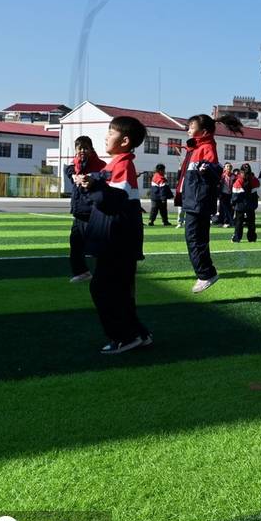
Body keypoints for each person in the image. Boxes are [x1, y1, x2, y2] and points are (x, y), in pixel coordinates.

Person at [74, 116, 151, 354]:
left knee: (103, 289)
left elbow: (112, 202)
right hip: (116, 240)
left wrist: (92, 186)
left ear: (125, 140)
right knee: (120, 291)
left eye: (110, 132)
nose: (106, 136)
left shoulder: (123, 165)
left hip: (117, 242)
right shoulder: (116, 164)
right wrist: (87, 182)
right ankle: (137, 333)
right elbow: (101, 188)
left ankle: (124, 337)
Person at [175, 113, 244, 293]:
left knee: (195, 239)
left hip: (199, 201)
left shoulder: (207, 147)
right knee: (195, 238)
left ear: (203, 131)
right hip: (194, 200)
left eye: (191, 126)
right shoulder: (197, 147)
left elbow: (215, 173)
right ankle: (205, 273)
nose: (188, 129)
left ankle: (206, 274)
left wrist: (207, 169)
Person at [64, 136, 106, 282]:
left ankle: (105, 273)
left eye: (85, 147)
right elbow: (69, 170)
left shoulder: (98, 164)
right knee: (75, 245)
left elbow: (103, 175)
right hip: (79, 211)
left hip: (92, 211)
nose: (82, 151)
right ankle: (81, 272)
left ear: (91, 149)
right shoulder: (76, 165)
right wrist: (74, 175)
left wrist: (90, 178)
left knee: (97, 247)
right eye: (79, 148)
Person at [230, 163, 261, 243]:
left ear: (240, 172)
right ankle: (252, 238)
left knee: (239, 223)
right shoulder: (254, 180)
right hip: (251, 205)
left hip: (240, 206)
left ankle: (237, 238)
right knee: (251, 223)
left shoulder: (237, 182)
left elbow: (234, 197)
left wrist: (233, 204)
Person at [216, 163, 235, 227]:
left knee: (230, 209)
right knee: (222, 208)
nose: (228, 168)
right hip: (223, 194)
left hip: (230, 194)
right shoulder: (222, 176)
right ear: (225, 168)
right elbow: (219, 185)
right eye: (227, 166)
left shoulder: (233, 176)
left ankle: (228, 222)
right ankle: (221, 222)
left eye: (230, 166)